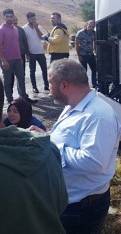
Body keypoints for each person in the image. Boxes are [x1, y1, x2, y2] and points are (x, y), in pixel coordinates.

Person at [29, 58, 121, 233]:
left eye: (50, 82)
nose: (48, 88)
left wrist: (50, 146)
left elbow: (94, 162)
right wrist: (45, 137)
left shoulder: (97, 116)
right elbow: (68, 141)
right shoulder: (74, 106)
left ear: (64, 85)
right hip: (71, 202)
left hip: (82, 208)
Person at [0, 77, 68, 234]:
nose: (11, 114)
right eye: (9, 110)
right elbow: (61, 203)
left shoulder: (37, 128)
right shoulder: (48, 148)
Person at [0, 8, 37, 104]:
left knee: (21, 79)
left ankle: (23, 99)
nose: (9, 18)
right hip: (7, 60)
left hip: (18, 59)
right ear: (4, 17)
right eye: (7, 17)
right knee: (7, 81)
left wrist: (21, 57)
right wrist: (3, 60)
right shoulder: (1, 30)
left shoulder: (16, 29)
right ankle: (10, 101)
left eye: (11, 16)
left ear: (13, 17)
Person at [22, 11, 50, 93]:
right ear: (28, 19)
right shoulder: (24, 28)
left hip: (40, 52)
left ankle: (46, 85)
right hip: (31, 52)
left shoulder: (39, 27)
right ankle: (34, 87)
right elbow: (24, 41)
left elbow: (42, 37)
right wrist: (27, 53)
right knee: (32, 71)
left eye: (34, 18)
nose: (34, 20)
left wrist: (36, 28)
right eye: (32, 19)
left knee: (44, 70)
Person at [76, 20, 97, 87]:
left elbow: (94, 43)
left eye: (92, 26)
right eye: (89, 26)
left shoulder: (94, 33)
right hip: (83, 55)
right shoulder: (80, 33)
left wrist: (95, 52)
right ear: (86, 25)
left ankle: (94, 84)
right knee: (84, 71)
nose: (91, 28)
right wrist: (79, 55)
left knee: (94, 70)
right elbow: (77, 45)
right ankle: (84, 85)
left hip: (90, 54)